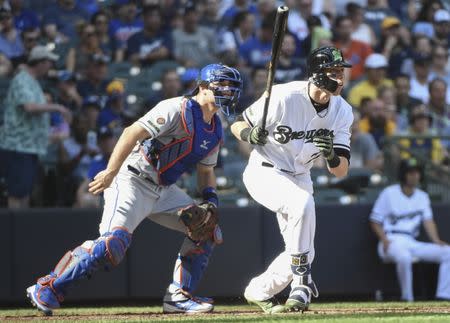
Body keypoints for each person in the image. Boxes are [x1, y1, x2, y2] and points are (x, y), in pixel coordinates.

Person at [26, 63, 243, 315]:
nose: (228, 91)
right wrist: (110, 171)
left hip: (163, 188)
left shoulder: (215, 128)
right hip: (132, 179)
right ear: (203, 87)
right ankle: (48, 286)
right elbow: (131, 132)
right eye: (223, 85)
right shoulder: (177, 108)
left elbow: (206, 172)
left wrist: (211, 201)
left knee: (206, 230)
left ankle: (178, 298)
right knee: (111, 245)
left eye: (232, 86)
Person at [230, 46, 353, 313]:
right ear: (317, 74)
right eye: (334, 72)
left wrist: (331, 155)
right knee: (301, 204)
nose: (340, 78)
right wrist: (250, 136)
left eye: (341, 72)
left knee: (305, 252)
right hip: (265, 171)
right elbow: (238, 122)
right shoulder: (284, 96)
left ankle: (258, 290)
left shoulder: (342, 111)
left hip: (301, 174)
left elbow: (340, 171)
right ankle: (301, 284)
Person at [0, 45, 71, 208]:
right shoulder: (22, 79)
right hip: (18, 147)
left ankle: (19, 228)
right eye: (49, 62)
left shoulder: (32, 82)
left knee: (24, 192)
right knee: (17, 193)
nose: (50, 66)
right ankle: (14, 230)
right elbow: (30, 107)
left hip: (29, 147)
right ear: (40, 62)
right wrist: (58, 107)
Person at [370, 158, 450, 302]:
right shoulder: (389, 193)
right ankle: (408, 298)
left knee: (447, 252)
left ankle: (443, 296)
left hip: (411, 241)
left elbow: (428, 221)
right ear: (403, 174)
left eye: (417, 172)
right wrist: (384, 240)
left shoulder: (422, 196)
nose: (415, 176)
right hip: (391, 239)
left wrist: (436, 240)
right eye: (411, 172)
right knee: (404, 257)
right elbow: (375, 221)